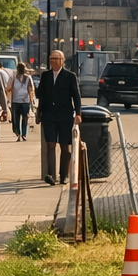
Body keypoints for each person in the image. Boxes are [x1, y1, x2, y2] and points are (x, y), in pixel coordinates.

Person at [36, 50, 82, 187]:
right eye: (51, 59)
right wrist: (39, 113)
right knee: (50, 144)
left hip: (65, 115)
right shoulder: (45, 76)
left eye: (55, 59)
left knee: (64, 146)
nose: (53, 61)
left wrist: (78, 113)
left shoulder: (70, 76)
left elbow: (76, 96)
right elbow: (41, 95)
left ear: (62, 60)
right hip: (49, 115)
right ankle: (51, 175)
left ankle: (64, 175)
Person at [11, 65, 35, 143]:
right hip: (25, 101)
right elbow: (31, 90)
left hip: (16, 101)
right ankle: (23, 134)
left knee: (16, 118)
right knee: (25, 118)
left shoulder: (14, 78)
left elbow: (8, 88)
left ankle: (18, 133)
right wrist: (31, 100)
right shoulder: (26, 78)